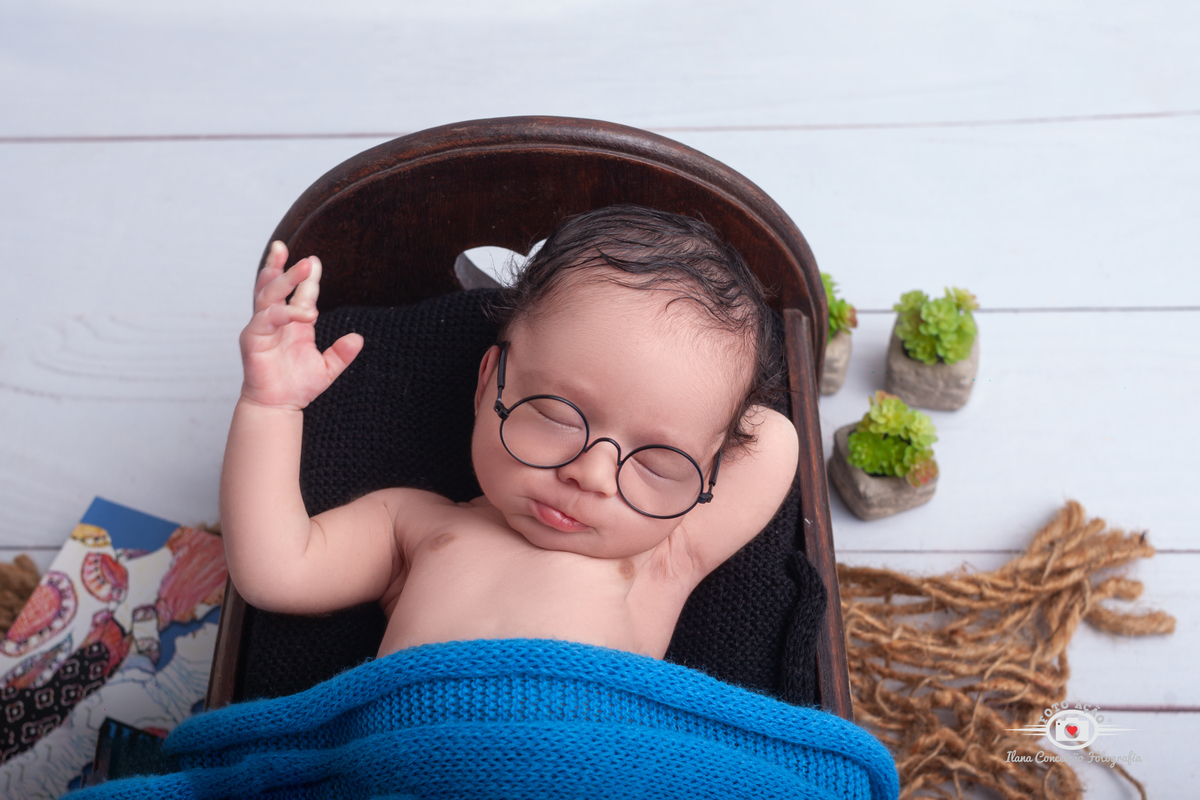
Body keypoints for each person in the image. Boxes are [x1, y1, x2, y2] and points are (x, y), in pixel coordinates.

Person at [220, 205, 799, 661]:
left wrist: (706, 395)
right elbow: (276, 570)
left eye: (657, 463)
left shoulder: (661, 557)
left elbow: (774, 440)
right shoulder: (415, 526)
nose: (591, 474)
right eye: (555, 417)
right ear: (488, 383)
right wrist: (271, 406)